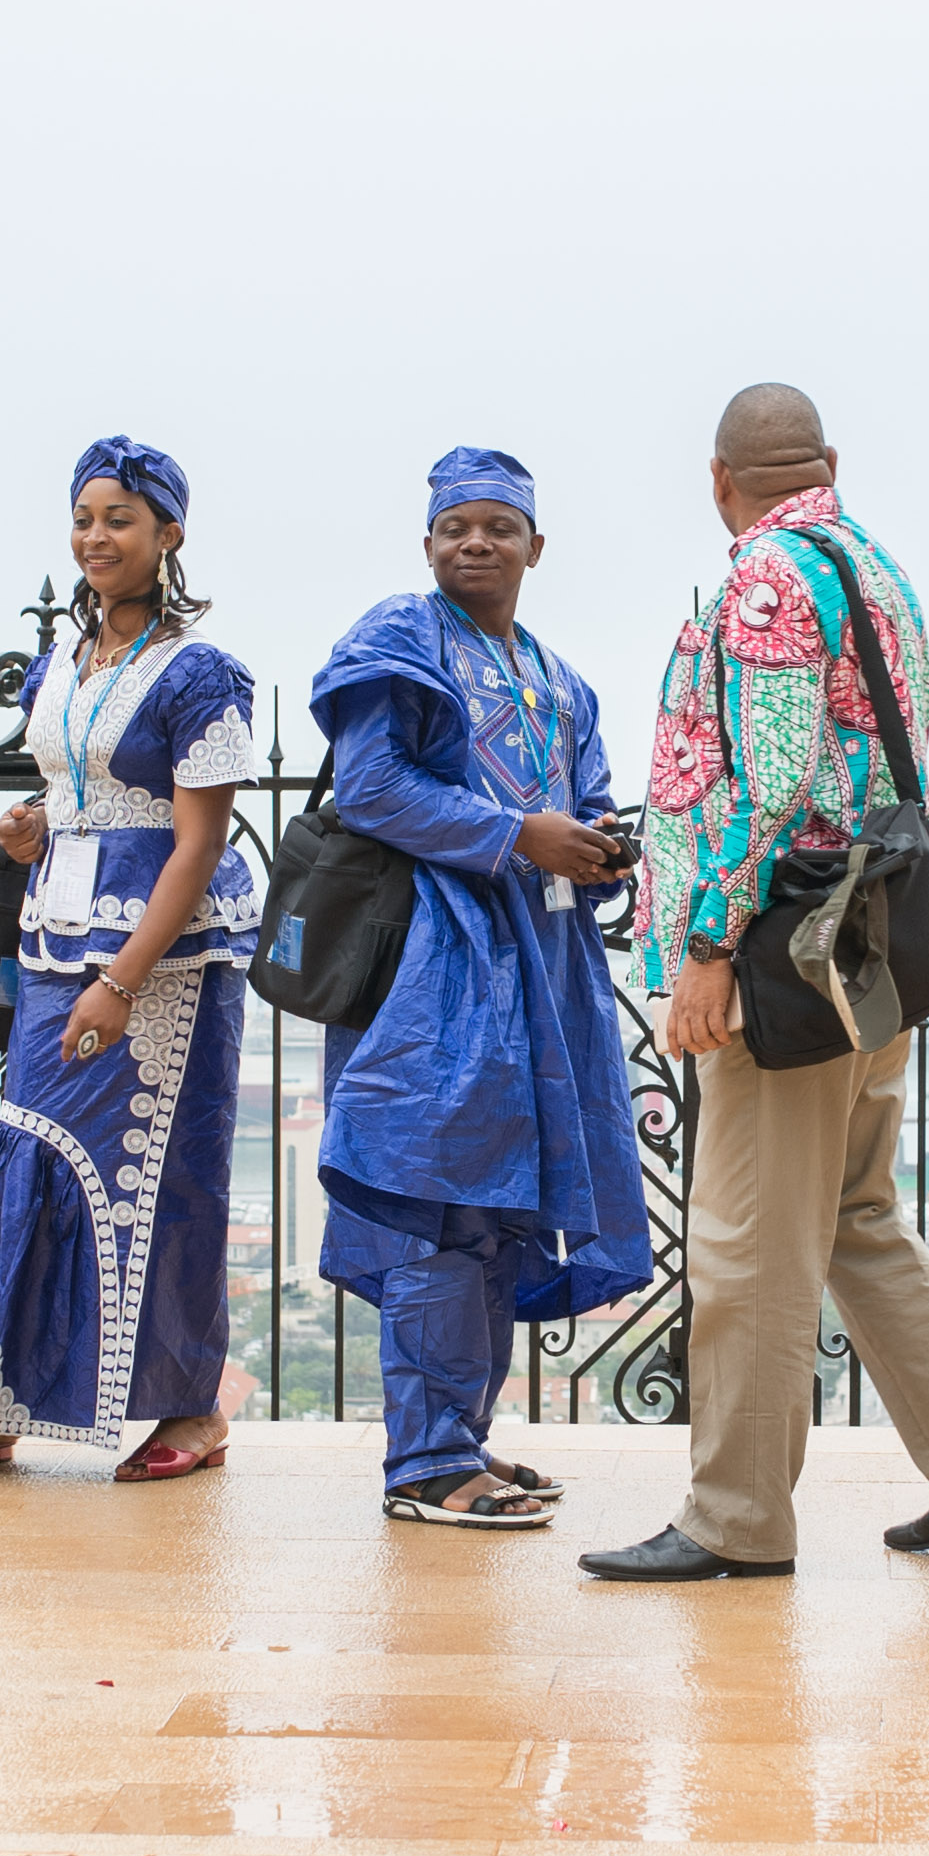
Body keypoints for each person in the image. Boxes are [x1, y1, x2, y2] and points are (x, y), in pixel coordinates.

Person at [577, 386, 929, 1584]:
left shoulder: (766, 577)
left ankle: (734, 1518)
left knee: (744, 1244)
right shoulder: (875, 567)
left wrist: (705, 944)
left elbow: (771, 780)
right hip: (866, 946)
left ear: (719, 481)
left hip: (781, 958)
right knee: (856, 1215)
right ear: (828, 462)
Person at [303, 450, 651, 1527]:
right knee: (435, 1206)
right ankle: (422, 1463)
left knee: (497, 1212)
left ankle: (463, 1439)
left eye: (500, 525)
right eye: (457, 525)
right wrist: (517, 835)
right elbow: (368, 786)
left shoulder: (560, 677)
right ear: (427, 543)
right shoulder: (400, 640)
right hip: (435, 973)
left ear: (535, 545)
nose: (476, 543)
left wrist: (592, 847)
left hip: (544, 967)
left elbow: (581, 794)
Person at [0, 438, 259, 1478]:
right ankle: (4, 1390)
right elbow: (80, 791)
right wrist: (35, 823)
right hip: (54, 935)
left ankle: (192, 1411)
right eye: (84, 517)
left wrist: (122, 982)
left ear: (169, 534)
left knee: (164, 1178)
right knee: (29, 1147)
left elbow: (199, 840)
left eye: (120, 518)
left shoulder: (202, 671)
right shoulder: (75, 658)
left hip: (158, 959)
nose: (96, 537)